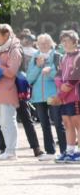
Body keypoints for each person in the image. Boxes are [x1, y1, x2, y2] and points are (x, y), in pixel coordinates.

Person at [28, 33, 67, 161]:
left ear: (51, 43)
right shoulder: (34, 57)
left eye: (46, 43)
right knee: (44, 124)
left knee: (58, 123)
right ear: (37, 45)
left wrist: (50, 72)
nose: (43, 46)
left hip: (54, 96)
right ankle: (50, 151)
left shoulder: (57, 57)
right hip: (38, 97)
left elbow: (62, 78)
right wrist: (39, 67)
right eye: (40, 43)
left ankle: (64, 151)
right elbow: (29, 78)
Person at [0, 25, 23, 160]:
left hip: (8, 90)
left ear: (7, 34)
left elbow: (11, 71)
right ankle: (8, 150)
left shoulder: (14, 49)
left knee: (8, 121)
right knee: (2, 123)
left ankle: (11, 151)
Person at [54, 30, 80, 163]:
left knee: (77, 124)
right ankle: (70, 151)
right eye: (62, 41)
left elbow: (76, 77)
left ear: (75, 42)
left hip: (76, 96)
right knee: (67, 123)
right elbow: (58, 75)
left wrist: (65, 87)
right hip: (64, 97)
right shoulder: (63, 57)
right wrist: (60, 86)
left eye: (67, 40)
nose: (64, 43)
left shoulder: (79, 56)